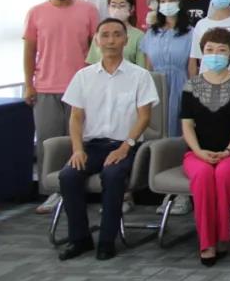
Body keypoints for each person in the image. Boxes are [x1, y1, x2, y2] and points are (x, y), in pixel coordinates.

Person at [56, 18, 159, 261]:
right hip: (92, 145)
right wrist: (77, 149)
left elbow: (144, 117)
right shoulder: (84, 76)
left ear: (126, 40)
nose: (111, 40)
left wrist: (125, 147)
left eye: (116, 35)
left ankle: (106, 240)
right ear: (96, 40)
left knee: (112, 175)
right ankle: (79, 239)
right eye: (105, 35)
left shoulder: (140, 76)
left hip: (127, 145)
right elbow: (76, 117)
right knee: (68, 175)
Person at [25, 0, 99, 215]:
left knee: (78, 141)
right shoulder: (36, 12)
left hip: (80, 87)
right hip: (45, 86)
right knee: (48, 141)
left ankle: (75, 189)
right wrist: (28, 84)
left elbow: (96, 49)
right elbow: (29, 51)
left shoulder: (88, 10)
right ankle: (51, 192)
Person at [180, 28, 230, 266]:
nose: (215, 55)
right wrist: (199, 152)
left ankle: (223, 236)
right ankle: (207, 242)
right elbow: (187, 125)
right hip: (197, 153)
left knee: (223, 175)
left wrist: (228, 151)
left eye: (221, 50)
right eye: (210, 50)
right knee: (203, 175)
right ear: (202, 53)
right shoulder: (191, 85)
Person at [142, 0, 196, 217]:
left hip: (180, 85)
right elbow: (148, 67)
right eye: (162, 0)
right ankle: (163, 190)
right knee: (158, 138)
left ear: (181, 2)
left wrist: (193, 95)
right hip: (156, 88)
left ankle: (182, 194)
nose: (166, 4)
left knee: (178, 138)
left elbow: (192, 67)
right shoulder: (151, 33)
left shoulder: (190, 32)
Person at [86, 0, 147, 67]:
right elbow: (92, 63)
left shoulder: (139, 36)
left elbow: (142, 67)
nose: (117, 9)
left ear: (132, 8)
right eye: (113, 5)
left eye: (122, 6)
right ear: (108, 8)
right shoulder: (100, 33)